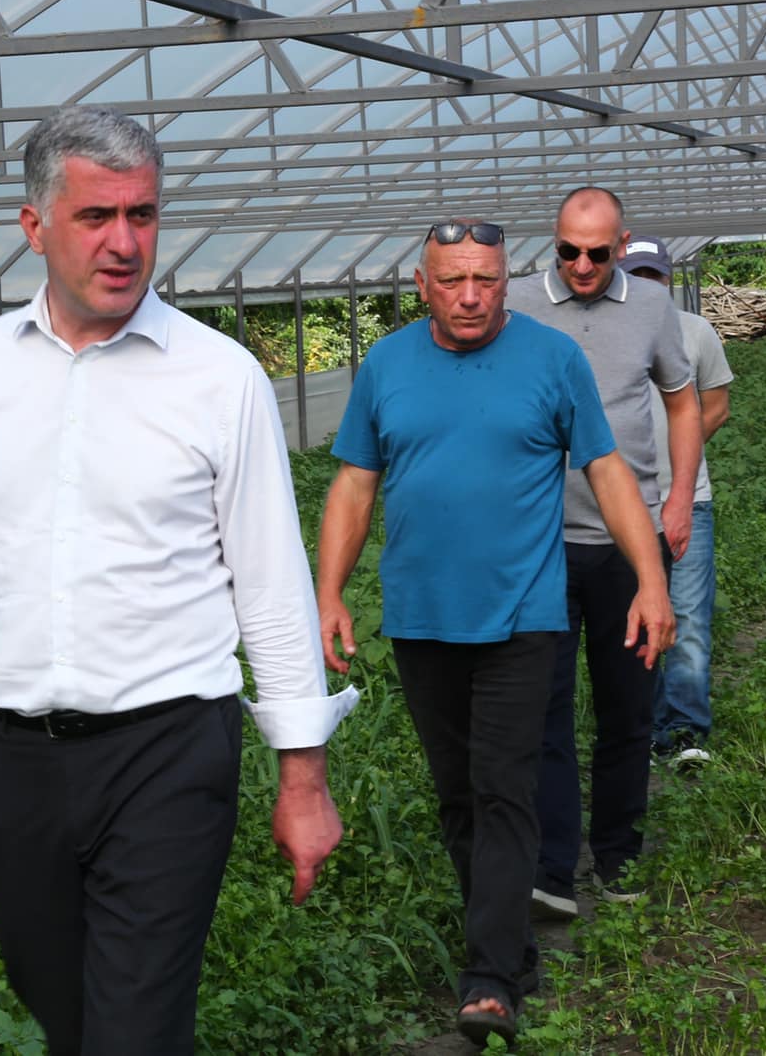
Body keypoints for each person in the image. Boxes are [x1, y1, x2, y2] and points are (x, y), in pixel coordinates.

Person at [0, 105, 354, 1056]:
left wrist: (302, 778)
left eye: (142, 215)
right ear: (35, 226)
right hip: (15, 754)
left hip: (167, 751)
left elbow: (270, 586)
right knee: (57, 1002)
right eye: (96, 216)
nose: (124, 242)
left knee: (134, 1028)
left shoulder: (220, 379)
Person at [315, 220, 671, 1049]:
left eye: (485, 280)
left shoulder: (553, 359)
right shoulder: (387, 365)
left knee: (504, 786)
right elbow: (355, 484)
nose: (470, 297)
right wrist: (327, 592)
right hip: (421, 618)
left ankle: (490, 979)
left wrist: (650, 579)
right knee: (458, 794)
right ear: (421, 285)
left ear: (507, 280)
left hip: (523, 615)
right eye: (452, 281)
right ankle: (513, 947)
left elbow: (607, 470)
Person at [507, 187, 700, 917]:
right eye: (567, 250)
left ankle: (618, 855)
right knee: (544, 708)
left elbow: (681, 401)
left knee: (627, 708)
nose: (581, 265)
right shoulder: (516, 303)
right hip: (542, 543)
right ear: (552, 242)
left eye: (595, 252)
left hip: (628, 543)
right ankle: (552, 868)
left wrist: (677, 498)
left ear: (621, 247)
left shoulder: (651, 307)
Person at [620, 238, 733, 770]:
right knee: (634, 619)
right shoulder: (602, 336)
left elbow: (717, 406)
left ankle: (685, 728)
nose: (646, 285)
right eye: (635, 275)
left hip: (690, 501)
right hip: (624, 507)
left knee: (687, 615)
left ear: (667, 280)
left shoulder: (695, 332)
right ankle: (642, 728)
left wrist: (680, 462)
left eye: (653, 276)